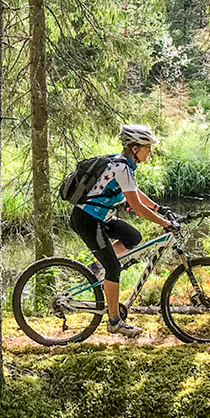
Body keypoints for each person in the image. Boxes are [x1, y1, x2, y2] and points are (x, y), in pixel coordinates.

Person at [70, 123, 177, 337]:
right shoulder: (121, 167)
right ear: (135, 148)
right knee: (114, 269)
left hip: (101, 217)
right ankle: (114, 322)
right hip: (88, 219)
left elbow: (134, 192)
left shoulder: (121, 165)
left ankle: (97, 267)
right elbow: (135, 206)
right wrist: (164, 223)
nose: (150, 151)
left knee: (132, 236)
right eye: (147, 147)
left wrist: (159, 208)